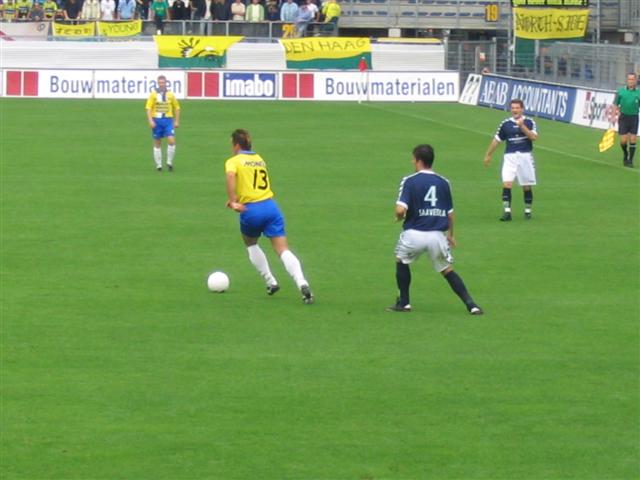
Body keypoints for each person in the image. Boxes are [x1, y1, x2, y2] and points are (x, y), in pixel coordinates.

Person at [388, 144, 483, 315]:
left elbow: (400, 210)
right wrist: (451, 236)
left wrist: (399, 217)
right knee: (447, 270)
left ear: (418, 160)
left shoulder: (409, 181)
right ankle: (471, 305)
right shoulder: (444, 182)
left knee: (401, 260)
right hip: (437, 236)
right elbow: (451, 215)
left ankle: (404, 302)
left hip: (414, 234)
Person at [224, 129, 314, 304]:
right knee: (283, 250)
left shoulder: (233, 161)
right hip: (271, 207)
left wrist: (233, 201)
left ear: (236, 145)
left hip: (251, 210)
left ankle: (270, 281)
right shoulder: (259, 159)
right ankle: (302, 282)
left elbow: (230, 175)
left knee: (250, 243)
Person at [483, 98, 538, 221]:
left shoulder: (529, 122)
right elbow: (497, 140)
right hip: (510, 157)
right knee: (507, 183)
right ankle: (507, 212)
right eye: (513, 108)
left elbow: (533, 137)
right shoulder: (505, 124)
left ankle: (528, 211)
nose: (515, 110)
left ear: (522, 109)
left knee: (526, 186)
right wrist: (488, 155)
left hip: (525, 156)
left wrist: (522, 126)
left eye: (517, 108)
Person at [145, 75, 180, 172]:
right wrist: (150, 120)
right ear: (157, 83)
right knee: (157, 142)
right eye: (160, 83)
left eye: (163, 82)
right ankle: (159, 165)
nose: (161, 84)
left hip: (168, 120)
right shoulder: (153, 94)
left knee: (172, 141)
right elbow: (148, 108)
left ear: (166, 83)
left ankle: (169, 162)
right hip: (157, 121)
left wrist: (176, 121)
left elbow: (177, 107)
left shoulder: (170, 95)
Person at [613, 72, 640, 168]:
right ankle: (625, 153)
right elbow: (615, 104)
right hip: (623, 117)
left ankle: (630, 160)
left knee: (633, 139)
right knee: (623, 141)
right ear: (627, 80)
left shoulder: (638, 92)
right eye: (629, 79)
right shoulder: (620, 91)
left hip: (634, 117)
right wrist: (613, 116)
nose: (631, 81)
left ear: (636, 80)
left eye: (633, 79)